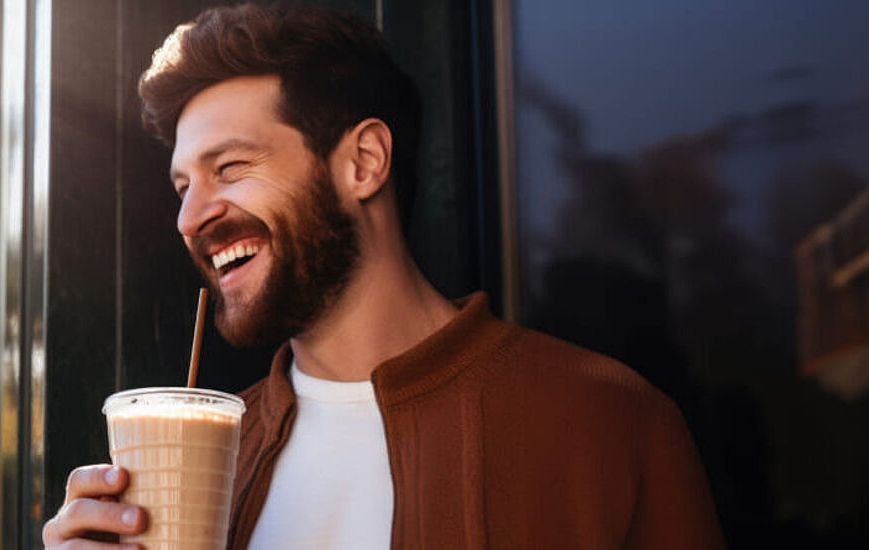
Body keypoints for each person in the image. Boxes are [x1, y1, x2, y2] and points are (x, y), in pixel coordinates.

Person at [42, 4, 724, 549]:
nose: (191, 217)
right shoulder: (217, 451)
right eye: (182, 185)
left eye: (230, 168)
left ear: (364, 161)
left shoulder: (606, 420)